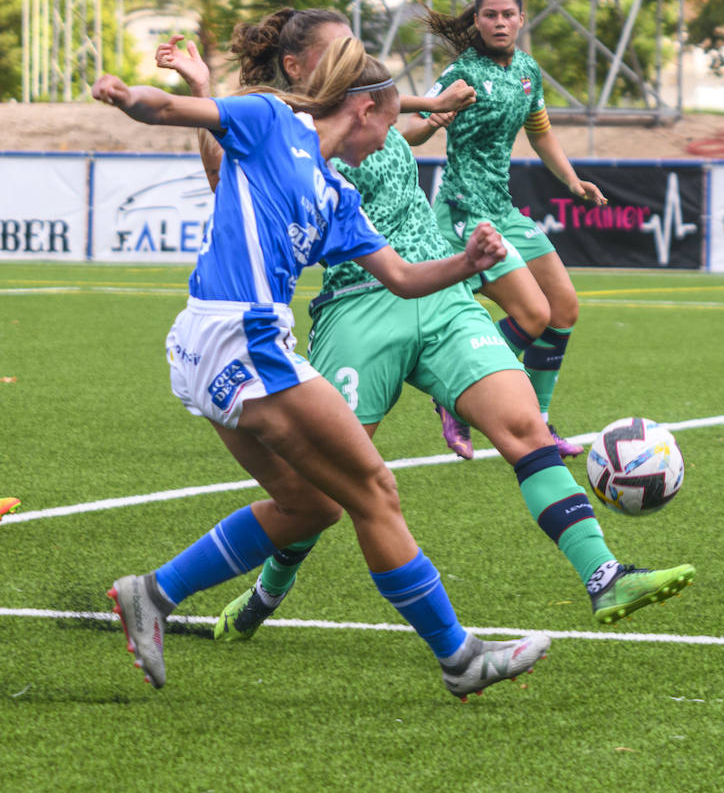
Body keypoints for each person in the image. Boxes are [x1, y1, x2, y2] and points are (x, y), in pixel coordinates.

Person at [154, 9, 694, 640]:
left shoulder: (367, 114)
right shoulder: (284, 130)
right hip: (358, 307)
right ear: (300, 68)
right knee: (322, 494)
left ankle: (604, 576)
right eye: (342, 54)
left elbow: (388, 120)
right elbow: (225, 175)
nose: (357, 64)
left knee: (524, 425)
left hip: (440, 290)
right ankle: (263, 594)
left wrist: (429, 111)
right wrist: (201, 92)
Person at [97, 36, 553, 699]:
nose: (391, 138)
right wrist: (128, 97)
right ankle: (460, 658)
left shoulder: (338, 192)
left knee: (310, 506)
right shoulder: (273, 120)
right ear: (365, 110)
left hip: (217, 346)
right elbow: (166, 110)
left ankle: (152, 594)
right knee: (374, 492)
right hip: (240, 336)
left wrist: (469, 265)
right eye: (391, 121)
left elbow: (399, 276)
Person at [406, 0, 603, 461]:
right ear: (476, 20)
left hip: (503, 208)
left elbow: (540, 135)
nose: (499, 22)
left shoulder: (528, 72)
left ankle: (536, 422)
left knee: (563, 308)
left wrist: (573, 182)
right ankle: (454, 392)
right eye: (489, 14)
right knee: (532, 314)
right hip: (463, 211)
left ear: (520, 19)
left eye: (507, 14)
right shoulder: (462, 73)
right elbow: (408, 133)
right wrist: (433, 116)